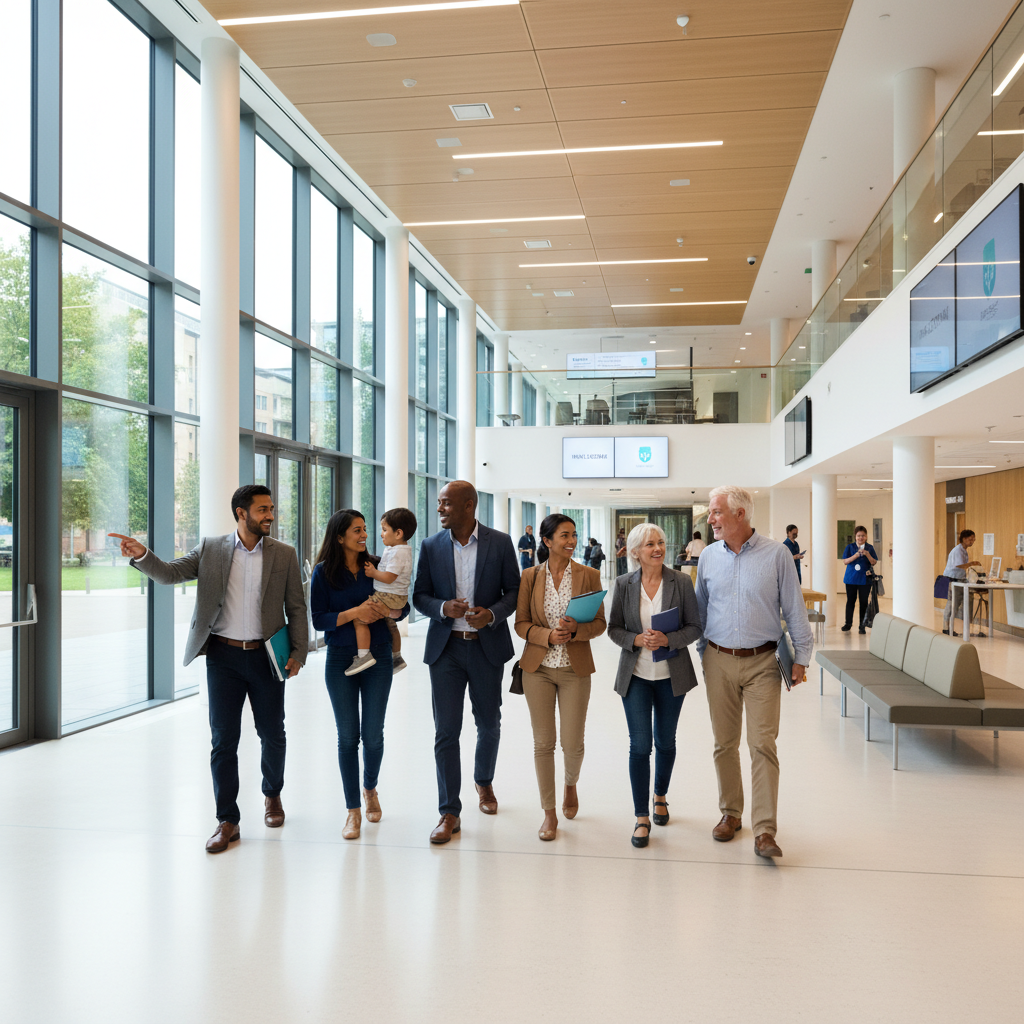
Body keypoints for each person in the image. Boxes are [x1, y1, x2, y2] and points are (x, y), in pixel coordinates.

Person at [111, 485, 307, 854]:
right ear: (240, 512)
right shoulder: (212, 548)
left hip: (267, 657)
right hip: (223, 658)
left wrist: (298, 651)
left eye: (271, 509)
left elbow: (296, 606)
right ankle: (227, 820)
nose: (270, 515)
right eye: (263, 509)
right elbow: (170, 574)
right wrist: (142, 555)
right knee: (223, 741)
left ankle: (272, 795)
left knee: (272, 733)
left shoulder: (284, 554)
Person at [695, 485, 813, 860]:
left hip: (763, 662)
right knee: (724, 743)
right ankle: (730, 813)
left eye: (716, 512)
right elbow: (700, 610)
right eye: (711, 513)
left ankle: (765, 830)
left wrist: (802, 658)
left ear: (739, 515)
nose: (710, 519)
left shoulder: (777, 554)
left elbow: (794, 608)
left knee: (763, 744)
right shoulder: (709, 557)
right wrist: (702, 654)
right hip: (718, 659)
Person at [413, 480, 521, 844]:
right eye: (440, 503)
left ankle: (484, 782)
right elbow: (420, 596)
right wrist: (443, 608)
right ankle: (448, 811)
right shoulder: (430, 546)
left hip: (485, 647)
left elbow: (515, 593)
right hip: (446, 650)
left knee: (488, 723)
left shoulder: (501, 542)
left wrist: (490, 614)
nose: (439, 509)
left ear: (468, 505)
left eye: (445, 503)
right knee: (446, 730)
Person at [310, 508, 408, 841]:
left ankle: (370, 788)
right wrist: (356, 612)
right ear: (339, 537)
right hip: (339, 658)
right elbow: (319, 620)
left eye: (366, 528)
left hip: (379, 654)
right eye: (356, 529)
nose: (364, 534)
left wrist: (389, 610)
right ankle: (353, 810)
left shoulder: (379, 565)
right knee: (348, 737)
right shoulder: (324, 573)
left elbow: (403, 605)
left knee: (374, 734)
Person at [608, 523, 702, 850]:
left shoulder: (681, 582)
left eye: (660, 541)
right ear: (635, 552)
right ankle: (641, 816)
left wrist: (668, 638)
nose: (657, 548)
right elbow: (614, 629)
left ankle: (660, 795)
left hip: (670, 676)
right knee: (639, 745)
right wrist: (636, 639)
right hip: (635, 675)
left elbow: (694, 627)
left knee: (665, 740)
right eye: (649, 544)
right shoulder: (623, 584)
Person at [514, 514, 606, 841]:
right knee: (543, 743)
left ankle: (571, 783)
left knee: (572, 743)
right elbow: (521, 623)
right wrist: (547, 636)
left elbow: (600, 624)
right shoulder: (529, 576)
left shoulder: (589, 575)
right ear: (547, 540)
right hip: (537, 668)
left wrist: (577, 630)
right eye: (564, 535)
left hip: (574, 669)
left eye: (574, 535)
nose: (571, 541)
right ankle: (549, 813)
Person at [347, 507, 416, 676]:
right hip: (394, 597)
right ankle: (397, 657)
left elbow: (390, 577)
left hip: (388, 596)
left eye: (384, 530)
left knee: (359, 618)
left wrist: (373, 573)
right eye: (358, 531)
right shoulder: (398, 550)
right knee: (391, 625)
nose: (380, 534)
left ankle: (364, 655)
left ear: (398, 533)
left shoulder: (397, 552)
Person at [942, 529, 982, 636]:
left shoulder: (963, 550)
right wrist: (972, 563)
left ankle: (949, 628)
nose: (972, 542)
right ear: (964, 539)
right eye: (970, 539)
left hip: (959, 580)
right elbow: (960, 565)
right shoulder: (958, 550)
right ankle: (946, 628)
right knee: (952, 604)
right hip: (954, 580)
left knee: (955, 604)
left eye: (973, 539)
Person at [841, 526, 878, 633]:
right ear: (855, 536)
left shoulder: (870, 548)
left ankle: (862, 625)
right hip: (851, 579)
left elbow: (874, 562)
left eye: (863, 536)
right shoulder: (850, 547)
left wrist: (867, 554)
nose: (860, 538)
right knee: (850, 601)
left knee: (864, 602)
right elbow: (845, 561)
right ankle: (848, 624)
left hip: (865, 580)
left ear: (866, 537)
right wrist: (856, 555)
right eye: (858, 536)